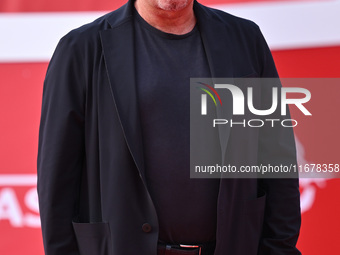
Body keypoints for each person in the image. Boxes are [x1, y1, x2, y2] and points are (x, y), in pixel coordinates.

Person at [37, 0, 301, 255]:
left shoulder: (245, 39)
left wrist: (280, 248)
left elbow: (277, 158)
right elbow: (57, 179)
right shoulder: (81, 49)